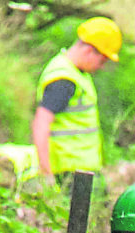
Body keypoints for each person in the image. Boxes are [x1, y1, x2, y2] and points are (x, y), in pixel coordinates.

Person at [31, 16, 122, 179]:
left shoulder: (76, 73)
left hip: (80, 172)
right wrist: (46, 173)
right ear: (88, 51)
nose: (101, 67)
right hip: (69, 174)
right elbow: (41, 123)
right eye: (102, 61)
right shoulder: (64, 80)